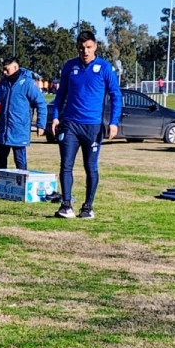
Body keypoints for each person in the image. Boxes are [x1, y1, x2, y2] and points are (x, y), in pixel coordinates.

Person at [50, 31, 121, 220]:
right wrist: (55, 117)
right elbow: (60, 95)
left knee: (91, 167)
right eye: (81, 48)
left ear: (95, 46)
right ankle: (66, 205)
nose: (85, 51)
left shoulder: (105, 68)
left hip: (93, 127)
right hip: (70, 125)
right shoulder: (69, 67)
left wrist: (114, 122)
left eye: (89, 47)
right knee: (66, 165)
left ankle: (87, 207)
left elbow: (116, 96)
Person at [0, 57, 47, 171]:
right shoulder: (4, 82)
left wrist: (41, 125)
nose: (4, 72)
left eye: (7, 69)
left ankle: (22, 184)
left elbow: (41, 103)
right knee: (1, 158)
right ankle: (0, 185)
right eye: (3, 69)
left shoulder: (27, 83)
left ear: (15, 67)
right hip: (4, 131)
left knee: (20, 161)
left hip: (19, 130)